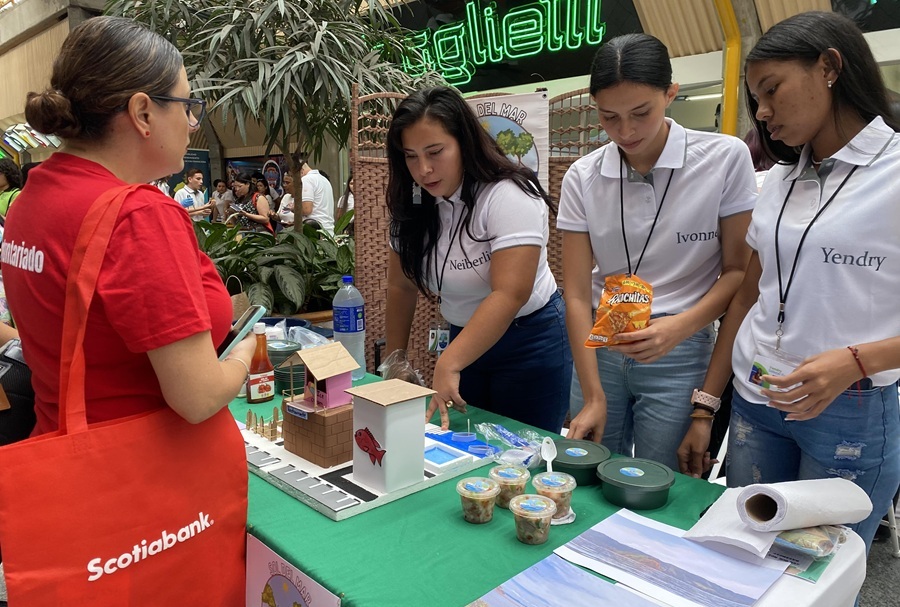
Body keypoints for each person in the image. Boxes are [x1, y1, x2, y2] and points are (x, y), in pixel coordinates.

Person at [677, 10, 900, 553]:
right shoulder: (776, 182)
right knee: (746, 553)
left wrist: (857, 359)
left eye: (772, 90)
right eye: (756, 99)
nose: (764, 113)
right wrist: (708, 401)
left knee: (816, 570)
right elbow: (751, 295)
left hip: (850, 405)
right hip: (758, 397)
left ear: (829, 67)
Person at [3, 15, 255, 460]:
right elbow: (196, 397)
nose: (192, 122)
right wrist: (244, 351)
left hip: (64, 456)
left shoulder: (31, 198)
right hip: (142, 475)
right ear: (142, 113)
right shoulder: (138, 214)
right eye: (185, 105)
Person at [558, 33, 757, 469]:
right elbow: (573, 293)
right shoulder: (582, 176)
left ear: (671, 94)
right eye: (609, 117)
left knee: (659, 482)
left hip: (680, 349)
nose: (625, 132)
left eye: (640, 113)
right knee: (584, 473)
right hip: (601, 347)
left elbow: (739, 273)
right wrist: (592, 394)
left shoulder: (723, 158)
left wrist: (678, 329)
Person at [384, 86, 572, 433]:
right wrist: (395, 360)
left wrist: (449, 361)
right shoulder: (411, 203)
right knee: (467, 451)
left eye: (435, 152)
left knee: (522, 454)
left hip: (530, 339)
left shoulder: (508, 194)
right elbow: (401, 285)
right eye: (410, 156)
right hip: (465, 336)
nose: (423, 169)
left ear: (464, 143)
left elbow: (509, 293)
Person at [298, 159, 335, 233]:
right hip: (328, 229)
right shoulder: (324, 179)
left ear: (301, 171)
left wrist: (294, 208)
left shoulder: (306, 179)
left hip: (315, 231)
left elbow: (306, 209)